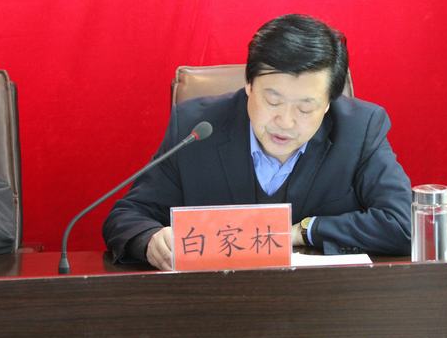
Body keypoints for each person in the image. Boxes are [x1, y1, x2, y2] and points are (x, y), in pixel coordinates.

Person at [103, 14, 411, 270]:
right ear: (249, 85)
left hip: (325, 305)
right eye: (272, 101)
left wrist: (304, 231)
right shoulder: (196, 128)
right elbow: (128, 216)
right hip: (218, 304)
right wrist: (150, 240)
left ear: (329, 102)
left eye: (305, 108)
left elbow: (404, 223)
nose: (285, 121)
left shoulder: (359, 129)